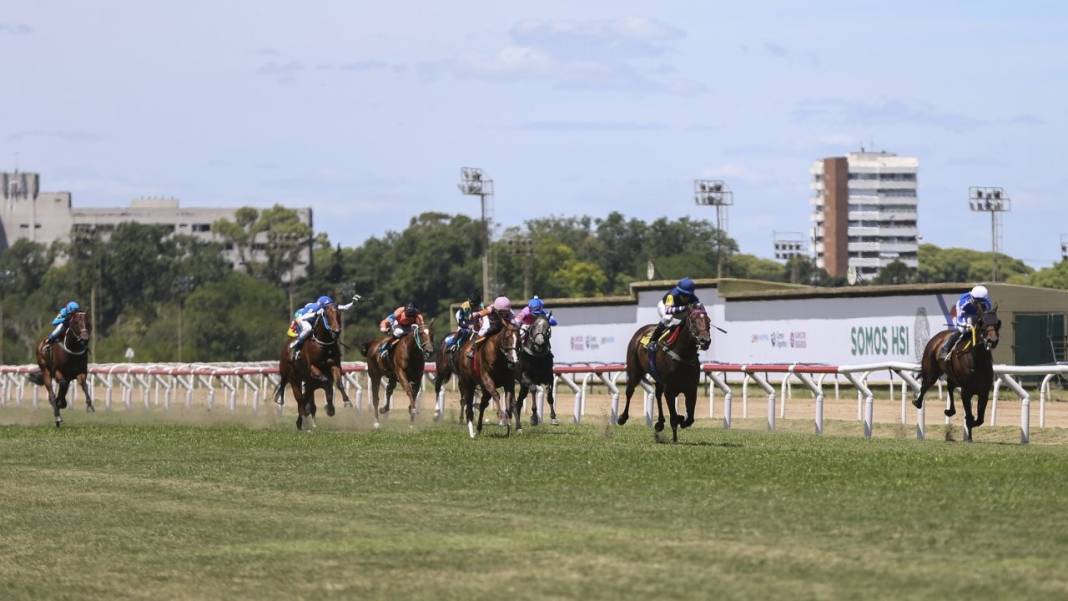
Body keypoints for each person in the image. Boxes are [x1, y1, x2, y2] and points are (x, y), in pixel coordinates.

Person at [290, 294, 360, 359]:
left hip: (311, 317)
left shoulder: (330, 307)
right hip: (302, 317)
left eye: (331, 305)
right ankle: (297, 345)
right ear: (322, 307)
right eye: (328, 306)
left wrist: (353, 303)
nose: (331, 307)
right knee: (308, 329)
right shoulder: (315, 308)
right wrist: (316, 314)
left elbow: (345, 307)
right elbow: (303, 317)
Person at [939, 285, 993, 361]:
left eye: (982, 301)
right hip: (965, 313)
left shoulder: (987, 302)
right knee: (962, 330)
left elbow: (987, 314)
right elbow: (961, 315)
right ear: (973, 297)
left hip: (977, 314)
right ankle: (945, 349)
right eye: (978, 300)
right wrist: (965, 324)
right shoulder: (964, 300)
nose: (980, 303)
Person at [646, 277, 700, 352]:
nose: (687, 298)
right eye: (684, 295)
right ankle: (652, 341)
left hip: (679, 310)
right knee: (667, 318)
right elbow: (668, 310)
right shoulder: (671, 295)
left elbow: (698, 308)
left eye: (688, 295)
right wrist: (684, 308)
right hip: (664, 307)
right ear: (680, 293)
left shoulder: (693, 298)